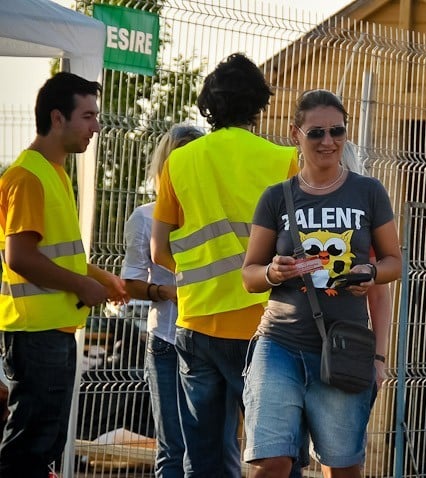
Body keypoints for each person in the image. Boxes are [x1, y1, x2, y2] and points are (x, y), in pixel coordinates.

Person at [150, 53, 298, 476]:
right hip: (265, 325)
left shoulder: (180, 161)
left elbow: (160, 251)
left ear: (209, 103)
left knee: (204, 457)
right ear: (258, 104)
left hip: (196, 324)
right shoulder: (281, 160)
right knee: (275, 451)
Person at [241, 89, 401, 477]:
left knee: (342, 467)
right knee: (271, 462)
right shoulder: (276, 197)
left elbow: (395, 263)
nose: (328, 141)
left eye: (337, 131)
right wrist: (271, 273)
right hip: (279, 343)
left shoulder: (369, 192)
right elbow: (250, 274)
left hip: (344, 347)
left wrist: (371, 274)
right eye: (316, 133)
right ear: (295, 134)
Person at [0, 72, 128, 478]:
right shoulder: (28, 176)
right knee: (30, 446)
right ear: (58, 118)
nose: (97, 126)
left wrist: (99, 277)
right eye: (88, 116)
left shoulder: (52, 172)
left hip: (51, 332)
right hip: (35, 333)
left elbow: (53, 254)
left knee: (45, 444)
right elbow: (19, 257)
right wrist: (81, 284)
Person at [122, 124, 243, 477]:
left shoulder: (217, 212)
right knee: (174, 448)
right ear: (167, 163)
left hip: (213, 338)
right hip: (167, 342)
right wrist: (166, 291)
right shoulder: (144, 217)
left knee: (223, 446)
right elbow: (130, 283)